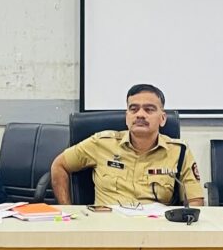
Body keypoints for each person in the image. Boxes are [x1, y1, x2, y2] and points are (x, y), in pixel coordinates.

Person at [50, 84, 204, 207]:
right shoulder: (101, 143)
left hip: (155, 229)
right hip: (107, 229)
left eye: (149, 109)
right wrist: (67, 210)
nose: (140, 114)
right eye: (133, 109)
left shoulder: (179, 152)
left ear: (162, 118)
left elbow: (195, 201)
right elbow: (59, 165)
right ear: (127, 117)